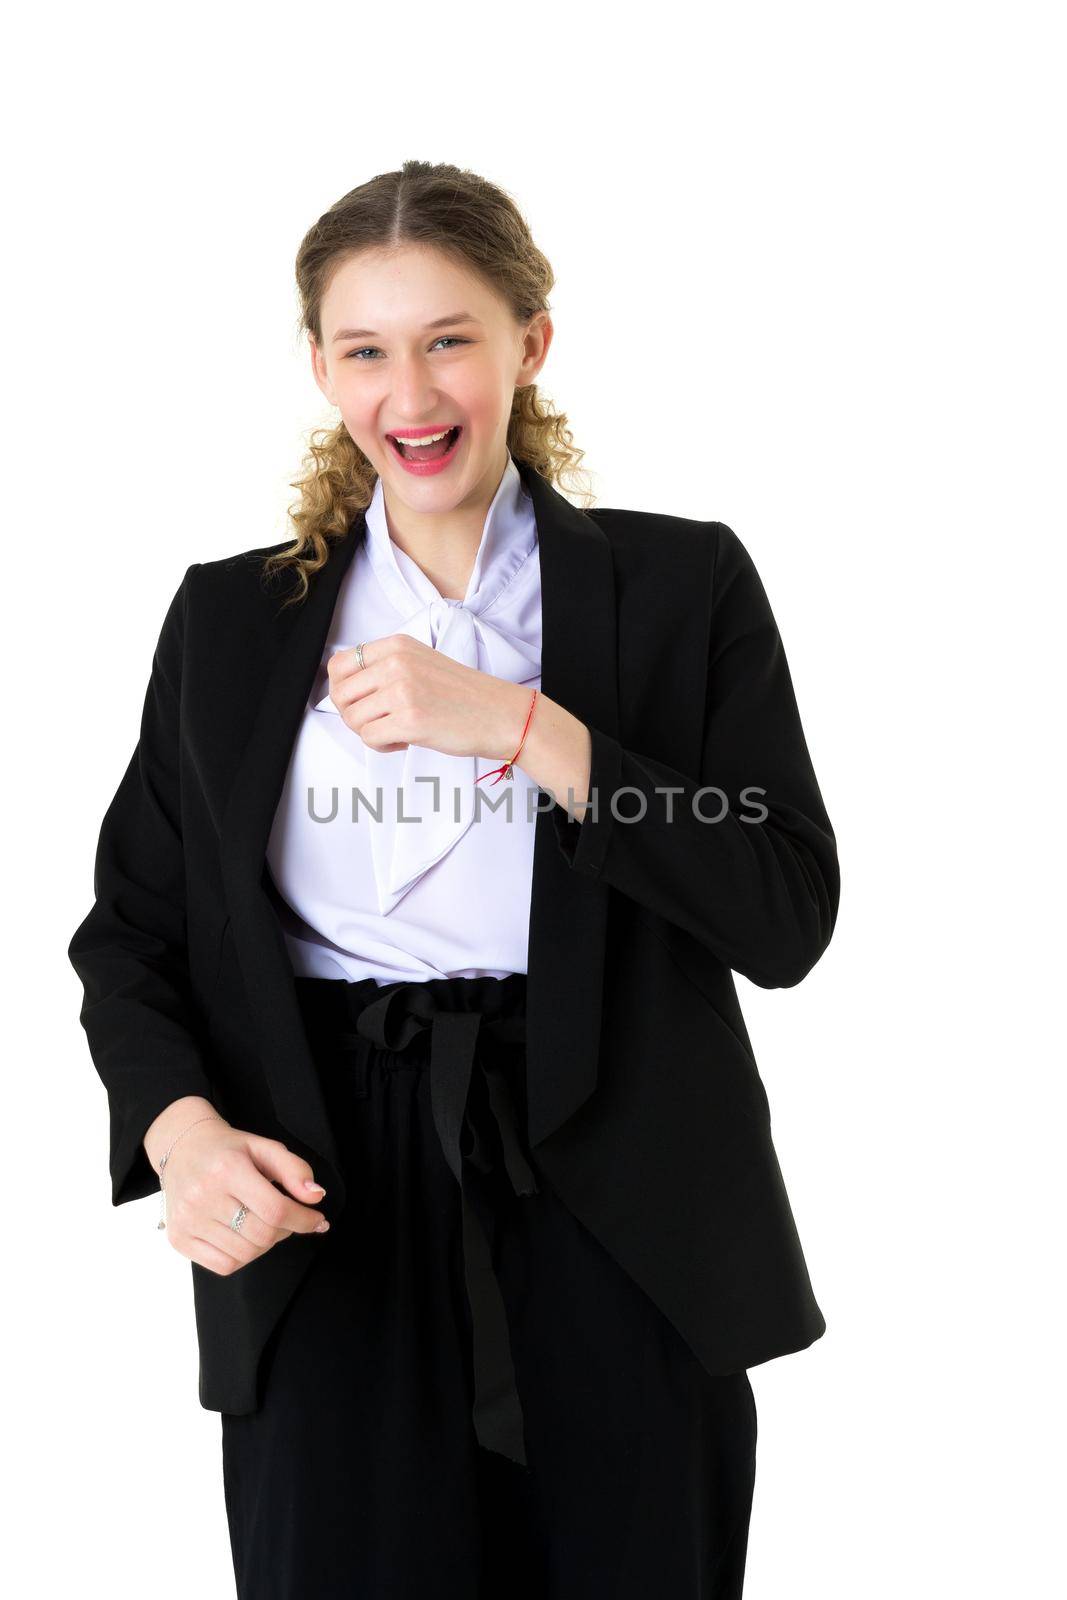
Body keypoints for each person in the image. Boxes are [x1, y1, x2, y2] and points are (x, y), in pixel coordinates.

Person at [68, 159, 840, 1599]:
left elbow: (783, 906)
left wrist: (526, 729)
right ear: (320, 367)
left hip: (621, 1189)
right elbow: (134, 933)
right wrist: (180, 1137)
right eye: (366, 350)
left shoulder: (680, 591)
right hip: (324, 1187)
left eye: (449, 340)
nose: (408, 395)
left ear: (530, 343)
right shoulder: (234, 620)